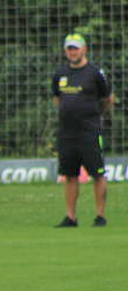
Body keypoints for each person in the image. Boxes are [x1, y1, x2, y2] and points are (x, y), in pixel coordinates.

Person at [51, 33, 115, 227]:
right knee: (69, 174)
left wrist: (94, 116)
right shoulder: (60, 74)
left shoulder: (95, 73)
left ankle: (100, 216)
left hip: (89, 132)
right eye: (69, 48)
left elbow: (107, 99)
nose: (73, 52)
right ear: (65, 51)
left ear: (84, 49)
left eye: (76, 48)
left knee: (98, 173)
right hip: (67, 132)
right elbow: (56, 99)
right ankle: (71, 217)